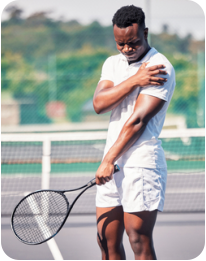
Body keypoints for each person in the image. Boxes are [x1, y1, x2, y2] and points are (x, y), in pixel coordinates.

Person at [93, 5, 175, 261]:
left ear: (145, 33)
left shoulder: (159, 66)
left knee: (138, 238)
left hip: (141, 163)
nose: (127, 49)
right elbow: (99, 104)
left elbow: (137, 120)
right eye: (120, 44)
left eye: (133, 43)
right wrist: (133, 81)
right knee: (106, 240)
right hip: (112, 163)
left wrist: (108, 160)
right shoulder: (112, 63)